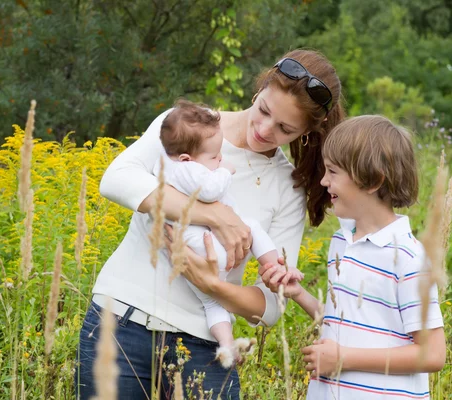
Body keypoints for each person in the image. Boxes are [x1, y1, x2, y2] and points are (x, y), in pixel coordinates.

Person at [76, 49, 345, 399]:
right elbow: (116, 180)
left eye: (285, 129)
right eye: (264, 110)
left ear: (307, 132)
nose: (264, 129)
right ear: (260, 88)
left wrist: (210, 284)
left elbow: (271, 306)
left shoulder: (287, 187)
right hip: (120, 323)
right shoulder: (188, 126)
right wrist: (215, 215)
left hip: (206, 348)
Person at [260, 115, 446, 399]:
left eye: (333, 172)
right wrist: (298, 294)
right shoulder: (341, 242)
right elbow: (344, 321)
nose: (323, 181)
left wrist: (345, 359)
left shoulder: (409, 259)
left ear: (372, 181)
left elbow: (432, 354)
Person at [155, 99, 303, 362]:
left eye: (285, 127)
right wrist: (225, 171)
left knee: (212, 303)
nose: (220, 158)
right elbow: (211, 190)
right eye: (214, 156)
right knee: (253, 228)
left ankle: (226, 342)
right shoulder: (188, 169)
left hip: (194, 256)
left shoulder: (166, 163)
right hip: (208, 249)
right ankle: (277, 267)